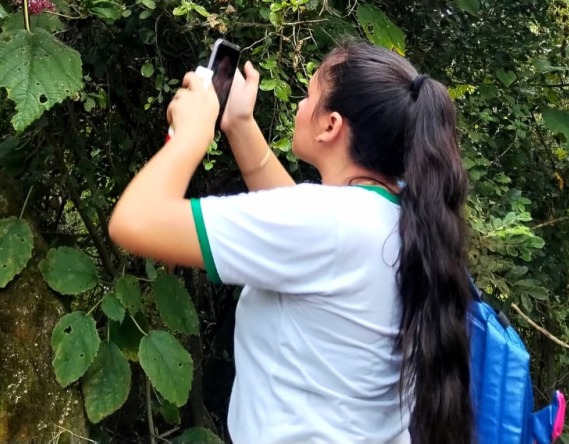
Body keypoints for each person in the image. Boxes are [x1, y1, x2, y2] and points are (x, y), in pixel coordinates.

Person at [108, 40, 473, 444]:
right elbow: (305, 242)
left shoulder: (329, 223)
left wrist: (192, 135)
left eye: (308, 94)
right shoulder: (400, 217)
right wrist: (240, 125)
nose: (299, 105)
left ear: (331, 125)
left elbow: (135, 221)